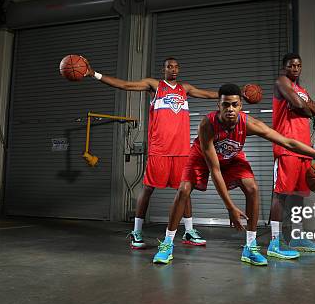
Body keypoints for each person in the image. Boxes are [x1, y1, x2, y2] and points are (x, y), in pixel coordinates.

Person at [152, 83, 315, 266]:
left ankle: (251, 246)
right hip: (202, 155)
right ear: (219, 106)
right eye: (225, 105)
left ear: (241, 106)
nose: (230, 109)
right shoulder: (208, 124)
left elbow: (288, 142)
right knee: (183, 190)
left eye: (234, 105)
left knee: (252, 187)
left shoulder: (249, 123)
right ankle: (167, 244)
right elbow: (215, 170)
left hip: (232, 156)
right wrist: (230, 207)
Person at [84, 57, 218, 249]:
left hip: (181, 150)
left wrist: (234, 95)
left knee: (185, 191)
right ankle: (137, 231)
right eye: (169, 67)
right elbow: (125, 85)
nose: (173, 69)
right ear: (163, 69)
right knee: (148, 189)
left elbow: (208, 94)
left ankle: (188, 231)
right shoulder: (154, 85)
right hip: (160, 149)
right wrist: (94, 74)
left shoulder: (185, 89)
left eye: (175, 66)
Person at [268, 52, 315, 258]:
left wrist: (306, 107)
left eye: (298, 65)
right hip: (287, 146)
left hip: (303, 148)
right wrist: (305, 106)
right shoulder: (281, 82)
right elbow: (301, 105)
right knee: (281, 195)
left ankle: (297, 237)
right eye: (291, 65)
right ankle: (275, 242)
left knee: (299, 196)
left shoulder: (301, 89)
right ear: (284, 67)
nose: (295, 68)